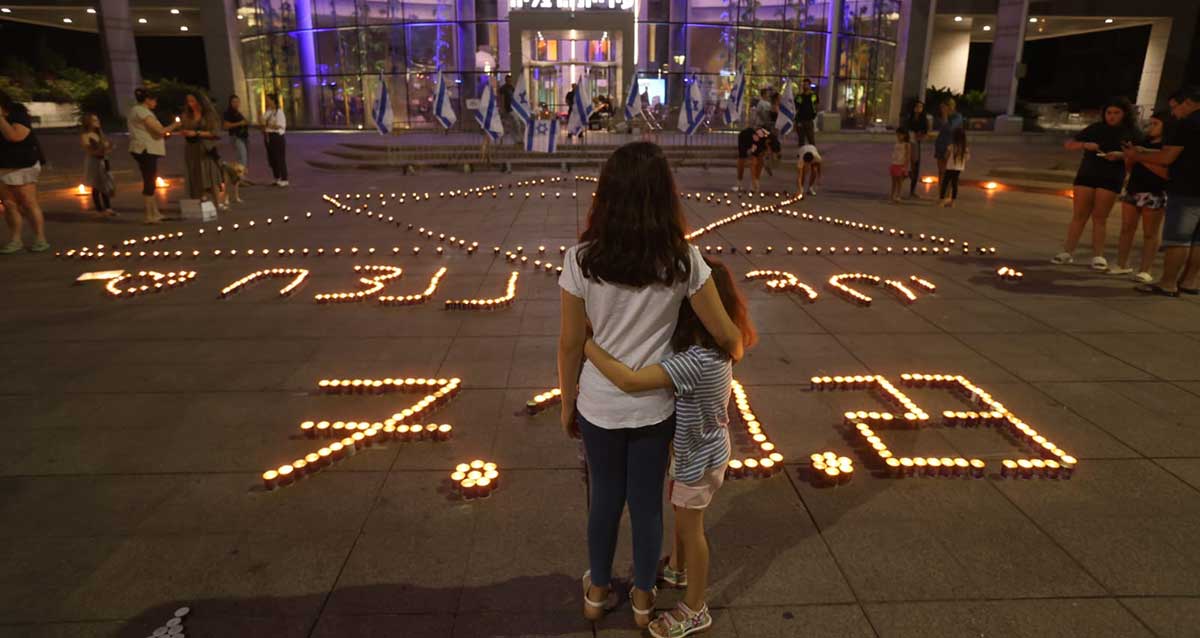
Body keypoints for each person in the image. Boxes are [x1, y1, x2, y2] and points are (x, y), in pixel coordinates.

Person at [558, 142, 744, 629]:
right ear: (665, 197)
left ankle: (598, 592)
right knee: (646, 504)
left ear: (606, 195)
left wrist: (567, 403)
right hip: (655, 407)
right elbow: (728, 335)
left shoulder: (580, 260)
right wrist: (734, 349)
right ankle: (643, 599)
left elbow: (570, 343)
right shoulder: (684, 261)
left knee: (604, 498)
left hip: (598, 404)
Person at [582, 257, 757, 638]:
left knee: (692, 529)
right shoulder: (719, 349)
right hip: (703, 450)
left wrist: (589, 346)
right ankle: (677, 568)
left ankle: (695, 607)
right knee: (681, 513)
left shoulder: (694, 362)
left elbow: (629, 381)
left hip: (697, 458)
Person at [1125, 86, 1200, 296]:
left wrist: (1136, 156)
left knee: (1178, 239)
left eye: (1176, 107)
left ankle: (1168, 283)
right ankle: (1190, 282)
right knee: (1198, 241)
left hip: (1186, 189)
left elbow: (1167, 157)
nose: (1174, 113)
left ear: (1189, 103)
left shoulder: (1187, 124)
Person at [1052, 96, 1140, 269]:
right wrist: (1085, 145)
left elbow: (1139, 154)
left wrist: (1121, 155)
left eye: (1116, 113)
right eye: (1109, 113)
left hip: (1111, 176)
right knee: (1079, 215)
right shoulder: (1096, 128)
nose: (1112, 116)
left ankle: (1098, 255)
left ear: (1124, 114)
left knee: (1100, 217)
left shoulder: (1132, 132)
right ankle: (1067, 251)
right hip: (1087, 174)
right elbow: (1069, 144)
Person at [1111, 110, 1170, 282]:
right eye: (1150, 123)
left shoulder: (1167, 148)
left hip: (1155, 191)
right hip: (1134, 188)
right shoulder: (1143, 143)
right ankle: (1122, 264)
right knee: (1126, 228)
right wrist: (1129, 157)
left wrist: (1140, 157)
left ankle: (1146, 270)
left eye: (1155, 124)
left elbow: (1165, 173)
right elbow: (1130, 168)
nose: (1151, 127)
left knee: (1150, 233)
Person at [0, 89, 49, 253]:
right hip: (2, 165)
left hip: (22, 164)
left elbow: (15, 136)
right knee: (9, 204)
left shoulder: (17, 112)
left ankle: (40, 238)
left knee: (28, 202)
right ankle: (15, 239)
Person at [127, 87, 178, 224]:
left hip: (143, 149)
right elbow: (159, 130)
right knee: (149, 181)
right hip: (145, 149)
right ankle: (149, 215)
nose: (156, 102)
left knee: (151, 180)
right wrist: (176, 125)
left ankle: (155, 212)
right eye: (154, 100)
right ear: (147, 100)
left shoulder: (137, 111)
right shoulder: (142, 112)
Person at [179, 93, 225, 209]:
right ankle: (201, 202)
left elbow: (215, 133)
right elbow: (184, 127)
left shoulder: (209, 115)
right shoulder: (187, 115)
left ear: (200, 102)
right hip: (191, 148)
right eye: (188, 101)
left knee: (210, 174)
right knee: (195, 174)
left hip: (206, 148)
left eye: (192, 101)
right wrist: (185, 131)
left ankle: (218, 202)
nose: (190, 104)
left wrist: (197, 133)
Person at [80, 113, 116, 217]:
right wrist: (101, 150)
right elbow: (89, 150)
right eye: (95, 120)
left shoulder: (99, 134)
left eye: (97, 120)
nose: (98, 122)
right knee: (96, 185)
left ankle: (108, 208)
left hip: (103, 160)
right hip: (94, 161)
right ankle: (99, 209)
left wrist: (108, 148)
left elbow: (106, 146)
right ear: (89, 122)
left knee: (105, 184)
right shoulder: (85, 135)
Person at [934, 97, 963, 184]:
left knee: (949, 172)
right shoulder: (941, 116)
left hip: (951, 146)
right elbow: (940, 128)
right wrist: (943, 115)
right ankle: (941, 190)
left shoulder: (957, 116)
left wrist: (945, 115)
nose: (950, 107)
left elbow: (950, 129)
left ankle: (947, 191)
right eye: (948, 105)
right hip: (941, 145)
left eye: (951, 105)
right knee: (941, 171)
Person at [262, 93, 289, 186]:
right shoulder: (268, 111)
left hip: (277, 136)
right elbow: (262, 121)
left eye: (268, 100)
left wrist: (269, 125)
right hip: (268, 136)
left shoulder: (279, 112)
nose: (267, 102)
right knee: (272, 158)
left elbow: (281, 126)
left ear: (273, 101)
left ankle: (284, 179)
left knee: (279, 158)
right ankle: (277, 177)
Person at [904, 100, 930, 197]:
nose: (919, 109)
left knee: (915, 165)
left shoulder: (923, 119)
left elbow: (925, 131)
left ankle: (912, 189)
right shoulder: (909, 118)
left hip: (916, 142)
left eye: (920, 107)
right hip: (908, 142)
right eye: (917, 106)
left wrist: (920, 134)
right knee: (905, 164)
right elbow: (905, 129)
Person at [735, 127, 773, 192]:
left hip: (758, 141)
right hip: (744, 140)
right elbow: (753, 161)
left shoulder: (768, 139)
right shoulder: (746, 136)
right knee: (743, 160)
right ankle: (739, 183)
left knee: (759, 161)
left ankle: (755, 182)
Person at [939, 127, 969, 207]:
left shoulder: (951, 146)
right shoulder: (964, 148)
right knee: (954, 184)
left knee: (945, 183)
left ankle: (942, 200)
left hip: (950, 167)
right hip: (958, 168)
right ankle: (952, 202)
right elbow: (967, 158)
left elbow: (946, 156)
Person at [222, 95, 250, 177]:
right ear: (230, 103)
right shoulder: (228, 113)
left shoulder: (238, 112)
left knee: (241, 157)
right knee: (242, 157)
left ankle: (239, 176)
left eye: (237, 101)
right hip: (236, 137)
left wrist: (245, 123)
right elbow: (225, 126)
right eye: (234, 102)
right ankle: (240, 177)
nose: (236, 103)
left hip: (243, 136)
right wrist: (239, 123)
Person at [888, 129, 911, 203]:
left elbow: (908, 156)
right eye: (897, 134)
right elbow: (895, 153)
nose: (898, 136)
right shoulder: (897, 143)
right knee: (893, 182)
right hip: (894, 163)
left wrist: (905, 167)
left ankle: (898, 196)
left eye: (900, 134)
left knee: (899, 182)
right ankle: (892, 196)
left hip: (901, 164)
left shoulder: (906, 144)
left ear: (904, 135)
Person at [795, 78, 818, 145]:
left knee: (811, 139)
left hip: (809, 120)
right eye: (804, 85)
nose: (805, 86)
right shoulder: (800, 96)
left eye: (806, 85)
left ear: (809, 85)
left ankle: (812, 150)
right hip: (800, 120)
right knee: (801, 139)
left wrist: (814, 114)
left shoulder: (813, 96)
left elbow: (816, 106)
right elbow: (796, 107)